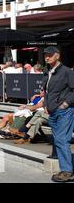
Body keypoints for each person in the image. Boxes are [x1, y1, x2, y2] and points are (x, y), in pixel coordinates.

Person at [41, 47, 74, 183]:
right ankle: (66, 168)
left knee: (61, 139)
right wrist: (46, 105)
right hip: (53, 110)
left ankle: (67, 171)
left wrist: (65, 104)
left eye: (49, 55)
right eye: (45, 55)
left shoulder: (67, 71)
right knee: (59, 139)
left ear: (57, 56)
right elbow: (48, 92)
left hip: (64, 110)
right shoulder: (47, 71)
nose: (47, 57)